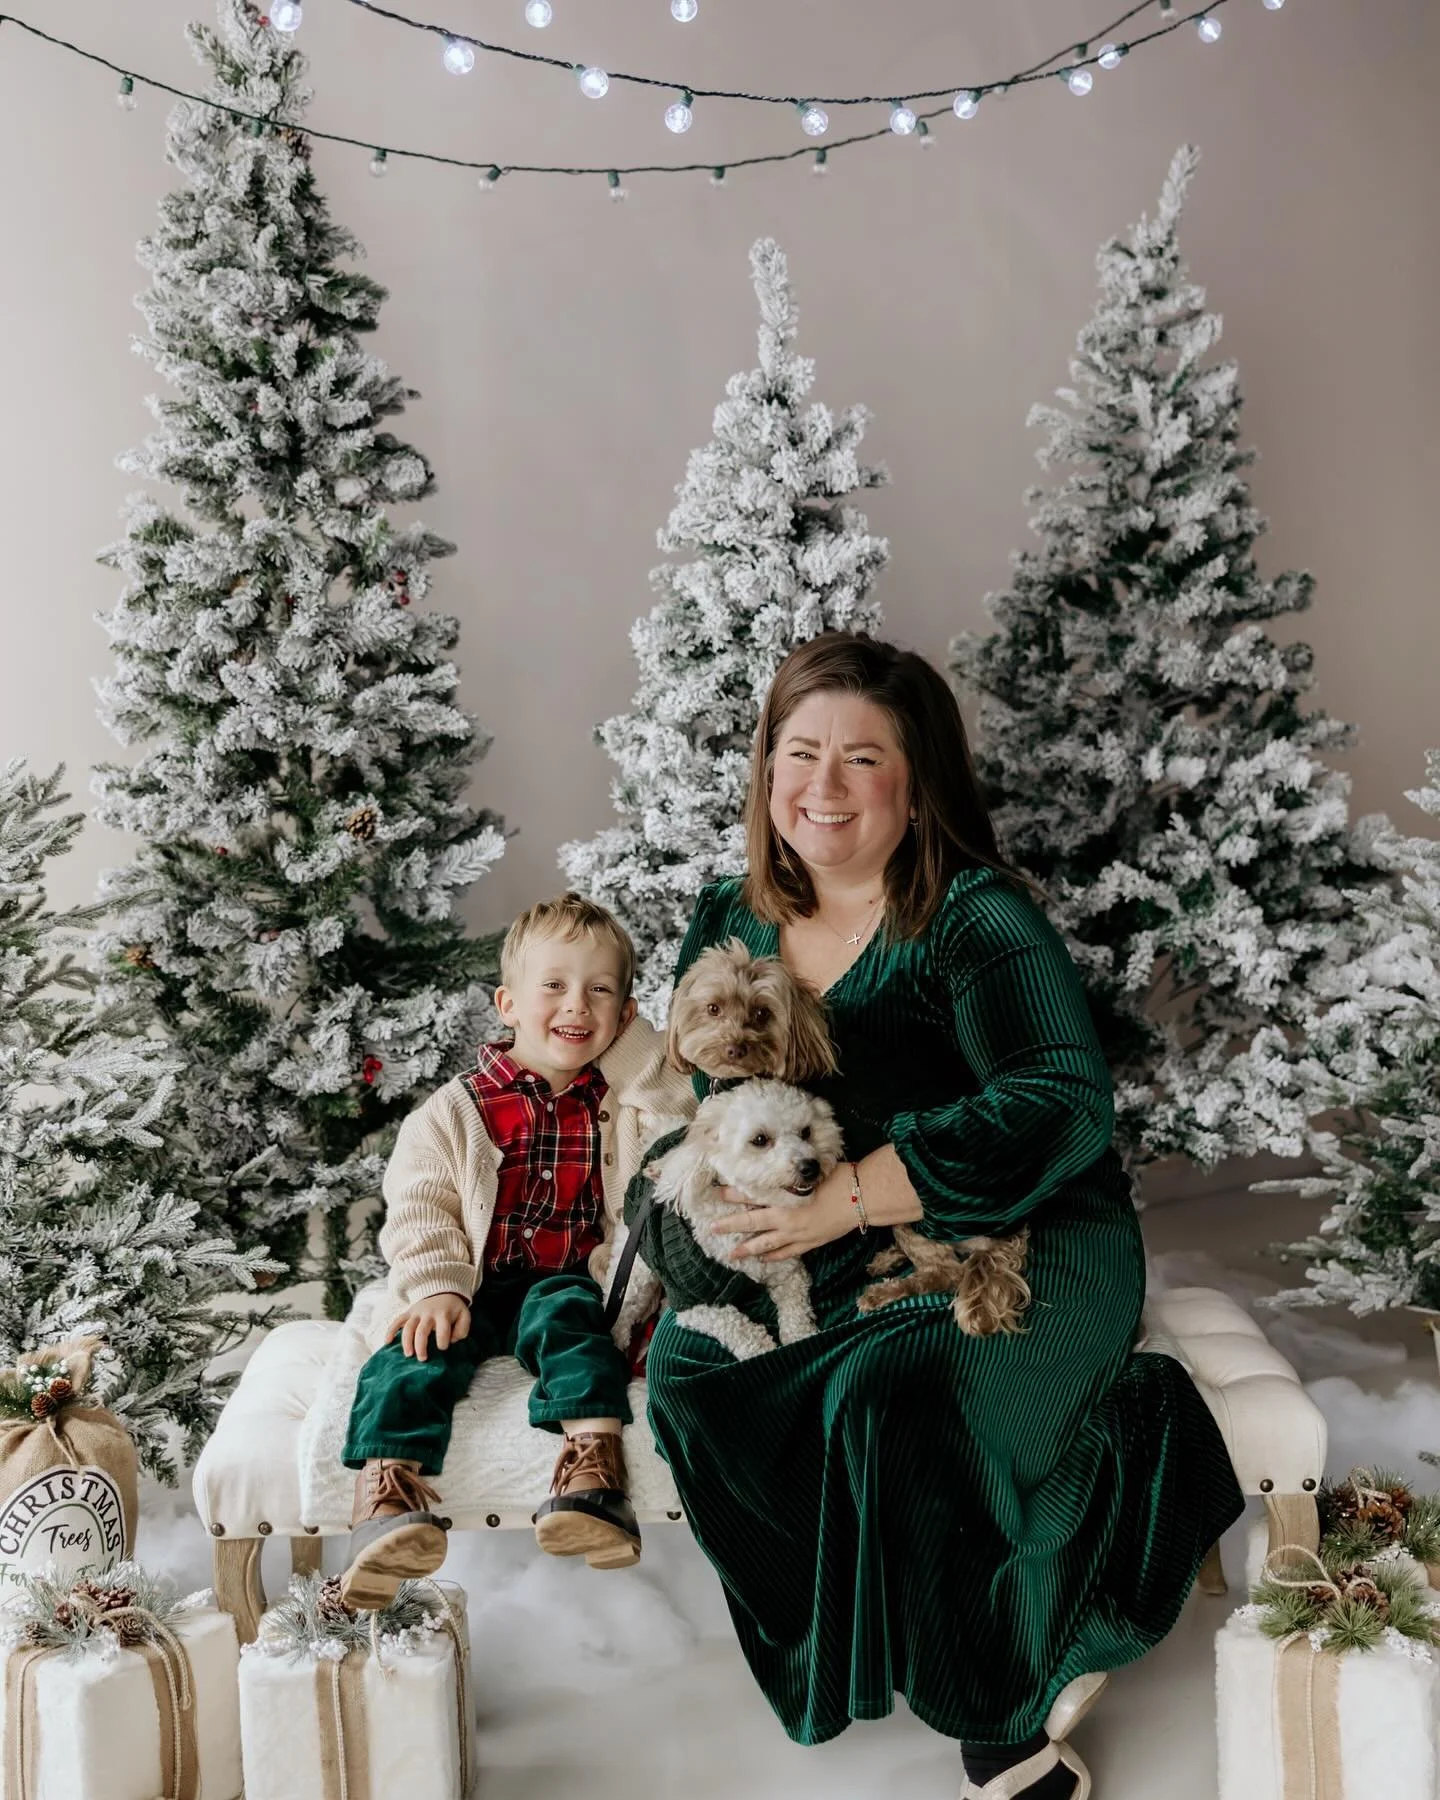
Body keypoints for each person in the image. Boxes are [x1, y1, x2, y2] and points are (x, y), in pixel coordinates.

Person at [631, 632, 1245, 1799]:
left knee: (896, 1393)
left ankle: (1006, 1706)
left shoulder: (972, 921)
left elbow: (1059, 1103)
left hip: (1028, 1229)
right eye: (799, 754)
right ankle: (881, 1634)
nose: (822, 787)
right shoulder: (730, 911)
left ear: (914, 789)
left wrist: (854, 1196)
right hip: (831, 1231)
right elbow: (719, 1094)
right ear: (766, 771)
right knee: (698, 1378)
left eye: (861, 760)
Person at [339, 892, 694, 1610]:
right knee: (408, 1353)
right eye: (554, 986)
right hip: (468, 1284)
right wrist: (436, 1283)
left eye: (601, 991)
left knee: (575, 1326)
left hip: (559, 1281)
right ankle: (388, 1496)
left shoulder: (618, 1101)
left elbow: (678, 1111)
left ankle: (591, 1477)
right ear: (507, 1002)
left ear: (624, 1016)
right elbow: (422, 1204)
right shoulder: (456, 1109)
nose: (577, 1006)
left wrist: (628, 1044)